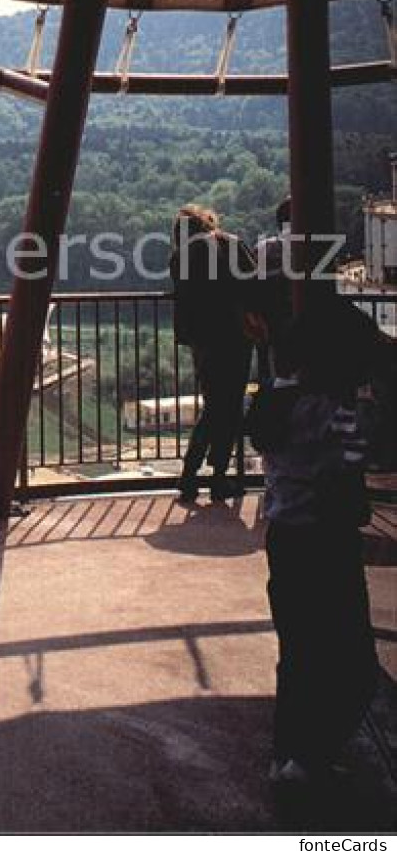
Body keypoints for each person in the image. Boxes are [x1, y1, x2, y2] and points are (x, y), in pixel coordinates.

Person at [253, 292, 386, 787]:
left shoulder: (277, 402)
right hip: (328, 545)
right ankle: (310, 760)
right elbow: (354, 472)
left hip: (285, 539)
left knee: (300, 654)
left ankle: (289, 756)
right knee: (356, 666)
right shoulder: (340, 412)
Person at [169, 204, 257, 504]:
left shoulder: (182, 255)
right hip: (237, 335)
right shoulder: (233, 243)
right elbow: (253, 282)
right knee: (229, 405)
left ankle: (192, 473)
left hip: (204, 339)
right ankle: (216, 476)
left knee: (215, 404)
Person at [252, 195, 294, 381]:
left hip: (265, 326)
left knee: (268, 378)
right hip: (294, 325)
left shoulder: (262, 248)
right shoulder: (311, 250)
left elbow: (250, 284)